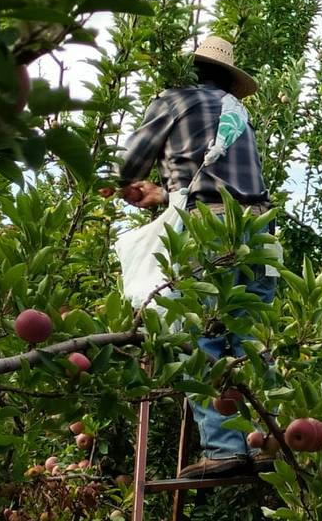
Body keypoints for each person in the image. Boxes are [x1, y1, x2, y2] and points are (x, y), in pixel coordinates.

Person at [116, 35, 275, 479]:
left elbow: (127, 166)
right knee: (249, 339)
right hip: (259, 230)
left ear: (185, 71)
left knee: (196, 332)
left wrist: (130, 184)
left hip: (206, 229)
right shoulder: (237, 112)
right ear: (226, 77)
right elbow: (218, 178)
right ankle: (268, 441)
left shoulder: (172, 99)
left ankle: (224, 448)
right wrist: (164, 193)